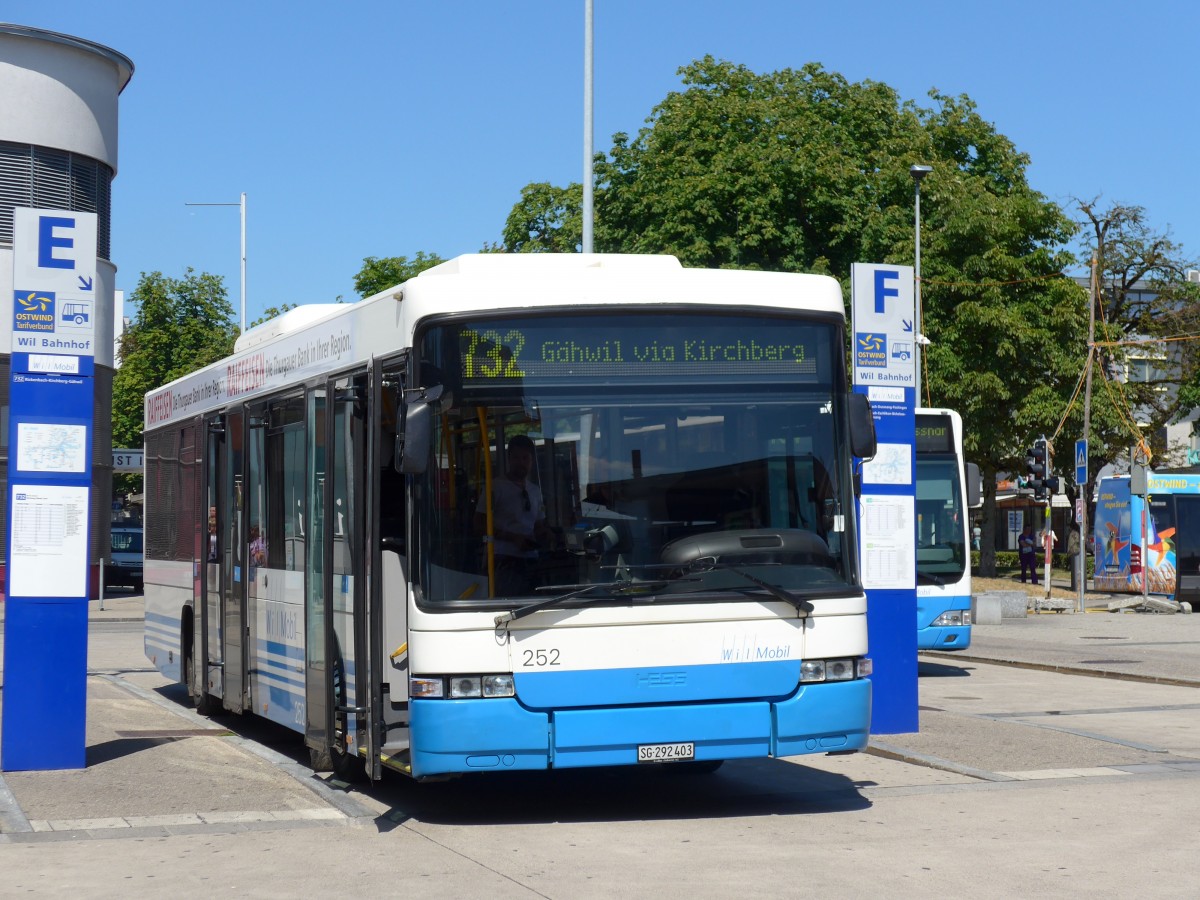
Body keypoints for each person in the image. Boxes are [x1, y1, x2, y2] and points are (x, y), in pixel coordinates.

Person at [476, 434, 551, 595]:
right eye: (516, 457)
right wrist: (513, 538)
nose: (521, 463)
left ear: (531, 461)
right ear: (509, 459)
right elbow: (479, 523)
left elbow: (538, 525)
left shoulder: (535, 491)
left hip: (531, 559)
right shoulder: (495, 487)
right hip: (502, 560)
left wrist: (548, 535)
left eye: (525, 458)